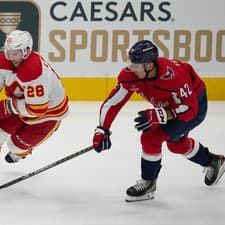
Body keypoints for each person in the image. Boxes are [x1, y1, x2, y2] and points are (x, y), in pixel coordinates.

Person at [92, 40, 225, 202]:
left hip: (194, 104)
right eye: (131, 63)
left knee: (151, 137)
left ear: (149, 66)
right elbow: (113, 103)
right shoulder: (131, 75)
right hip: (173, 105)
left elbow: (191, 109)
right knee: (175, 144)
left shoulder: (174, 76)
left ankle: (148, 183)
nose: (131, 68)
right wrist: (102, 129)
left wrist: (161, 115)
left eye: (136, 65)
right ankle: (213, 161)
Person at [0, 30, 69, 163]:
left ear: (26, 51)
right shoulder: (5, 60)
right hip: (20, 103)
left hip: (48, 114)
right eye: (8, 52)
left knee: (15, 146)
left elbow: (37, 109)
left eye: (15, 53)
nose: (11, 57)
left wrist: (7, 106)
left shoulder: (35, 71)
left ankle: (20, 153)